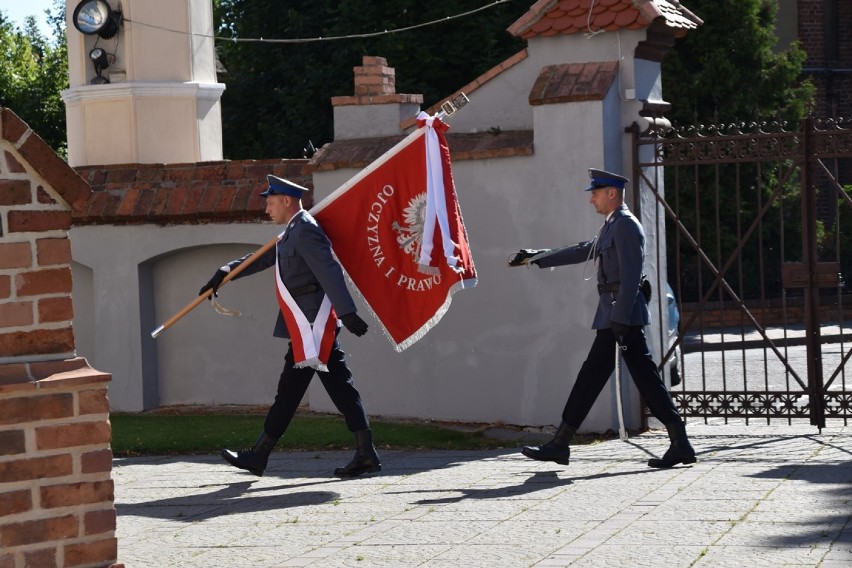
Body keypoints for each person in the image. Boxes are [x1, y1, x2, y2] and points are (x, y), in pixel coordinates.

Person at [508, 168, 696, 469]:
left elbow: (633, 275)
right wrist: (538, 256)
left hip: (621, 317)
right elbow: (586, 250)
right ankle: (679, 442)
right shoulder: (612, 225)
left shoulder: (625, 226)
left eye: (595, 193)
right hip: (614, 315)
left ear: (612, 193)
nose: (591, 199)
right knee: (617, 378)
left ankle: (561, 443)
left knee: (608, 377)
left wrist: (620, 318)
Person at [199, 175, 381, 478]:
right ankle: (365, 453)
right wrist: (225, 272)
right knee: (339, 387)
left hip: (313, 327)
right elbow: (261, 258)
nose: (267, 209)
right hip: (306, 326)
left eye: (270, 203)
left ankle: (259, 455)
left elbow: (328, 270)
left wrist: (348, 312)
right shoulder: (293, 231)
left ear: (286, 201)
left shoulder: (306, 230)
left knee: (291, 392)